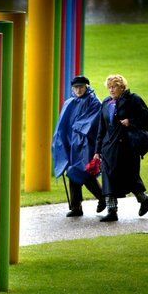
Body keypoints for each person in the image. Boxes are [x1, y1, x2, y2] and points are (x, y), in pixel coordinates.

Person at [94, 74, 148, 222]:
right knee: (108, 177)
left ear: (122, 87)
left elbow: (147, 118)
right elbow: (102, 128)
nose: (111, 90)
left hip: (127, 146)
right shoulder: (106, 103)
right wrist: (97, 151)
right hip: (108, 146)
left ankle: (143, 198)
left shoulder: (133, 100)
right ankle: (112, 211)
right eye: (109, 87)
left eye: (114, 87)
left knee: (129, 176)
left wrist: (131, 121)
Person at [52, 75, 105, 217]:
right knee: (72, 171)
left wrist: (76, 133)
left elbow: (91, 123)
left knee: (82, 171)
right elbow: (62, 125)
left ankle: (101, 198)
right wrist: (60, 141)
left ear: (87, 87)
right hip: (72, 144)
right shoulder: (69, 102)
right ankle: (77, 206)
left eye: (81, 87)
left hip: (86, 144)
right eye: (76, 87)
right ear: (72, 88)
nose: (79, 90)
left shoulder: (94, 102)